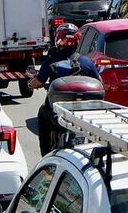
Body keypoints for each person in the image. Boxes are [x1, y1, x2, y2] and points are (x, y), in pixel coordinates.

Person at [30, 24, 100, 154]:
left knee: (42, 113)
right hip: (84, 110)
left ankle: (45, 156)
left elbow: (38, 82)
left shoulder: (51, 60)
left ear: (58, 39)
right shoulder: (86, 62)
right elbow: (99, 82)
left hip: (58, 110)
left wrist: (31, 84)